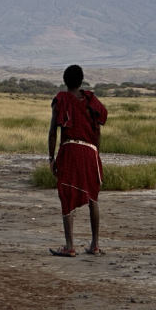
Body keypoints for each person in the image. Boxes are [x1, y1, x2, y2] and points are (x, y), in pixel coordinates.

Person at [47, 64, 108, 257]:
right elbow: (97, 130)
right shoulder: (91, 101)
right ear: (81, 80)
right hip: (90, 151)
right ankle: (95, 245)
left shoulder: (61, 99)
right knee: (93, 197)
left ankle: (69, 246)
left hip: (70, 149)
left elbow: (52, 132)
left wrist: (51, 157)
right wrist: (96, 152)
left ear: (65, 81)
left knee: (67, 193)